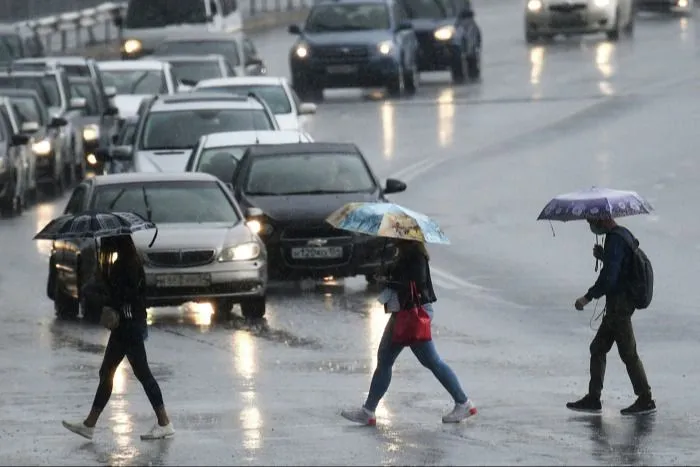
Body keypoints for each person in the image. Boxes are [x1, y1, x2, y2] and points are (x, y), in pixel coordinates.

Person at [340, 239, 476, 426]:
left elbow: (415, 282)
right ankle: (463, 402)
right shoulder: (405, 253)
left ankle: (463, 402)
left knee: (394, 359)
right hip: (406, 312)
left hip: (411, 314)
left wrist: (390, 280)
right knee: (417, 360)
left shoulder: (415, 256)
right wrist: (386, 274)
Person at [62, 235, 175, 440]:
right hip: (129, 325)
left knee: (133, 373)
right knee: (114, 372)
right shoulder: (131, 262)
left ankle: (164, 422)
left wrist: (103, 286)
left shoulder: (124, 266)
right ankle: (91, 423)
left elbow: (123, 296)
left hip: (127, 327)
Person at [568, 218, 655, 416]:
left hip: (619, 306)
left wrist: (587, 297)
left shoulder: (614, 240)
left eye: (591, 220)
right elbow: (620, 266)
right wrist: (604, 255)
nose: (591, 225)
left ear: (601, 219)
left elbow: (609, 277)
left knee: (628, 353)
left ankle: (645, 399)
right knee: (598, 348)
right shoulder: (623, 234)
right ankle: (593, 398)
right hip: (619, 304)